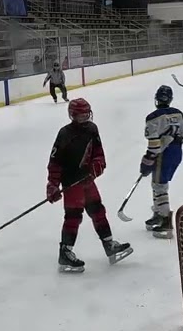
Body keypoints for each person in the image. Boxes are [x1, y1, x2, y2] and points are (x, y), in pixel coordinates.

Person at [46, 98, 132, 272]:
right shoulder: (64, 134)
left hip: (87, 180)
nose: (85, 118)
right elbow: (55, 162)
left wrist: (96, 167)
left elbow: (98, 154)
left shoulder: (92, 129)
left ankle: (109, 244)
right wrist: (53, 184)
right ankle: (65, 253)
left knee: (98, 211)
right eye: (81, 116)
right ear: (73, 116)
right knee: (73, 216)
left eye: (87, 115)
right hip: (71, 182)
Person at [140, 85, 183, 239]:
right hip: (176, 152)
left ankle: (166, 221)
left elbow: (154, 143)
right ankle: (158, 213)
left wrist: (147, 160)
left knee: (159, 185)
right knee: (157, 182)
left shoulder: (152, 117)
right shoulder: (179, 113)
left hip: (162, 155)